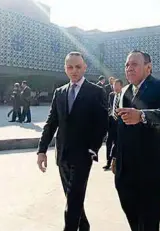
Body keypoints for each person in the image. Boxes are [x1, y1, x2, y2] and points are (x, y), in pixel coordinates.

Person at [36, 52, 108, 231]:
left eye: (78, 67)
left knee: (74, 198)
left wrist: (93, 148)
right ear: (65, 69)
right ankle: (84, 226)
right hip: (62, 155)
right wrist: (42, 150)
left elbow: (102, 124)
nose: (74, 71)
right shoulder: (59, 92)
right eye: (70, 67)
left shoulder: (96, 92)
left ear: (85, 67)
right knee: (72, 197)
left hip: (83, 155)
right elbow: (51, 122)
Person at [111, 50, 160, 231]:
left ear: (148, 68)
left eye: (134, 64)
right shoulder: (124, 90)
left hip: (150, 168)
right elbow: (119, 128)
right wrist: (115, 156)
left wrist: (142, 116)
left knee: (149, 223)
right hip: (125, 169)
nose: (129, 68)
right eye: (127, 65)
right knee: (133, 218)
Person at [104, 79, 123, 170]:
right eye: (113, 86)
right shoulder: (111, 95)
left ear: (121, 86)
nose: (114, 87)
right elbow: (109, 106)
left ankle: (114, 161)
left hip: (120, 122)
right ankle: (108, 161)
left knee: (117, 143)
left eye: (116, 86)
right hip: (111, 121)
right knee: (109, 142)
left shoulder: (124, 96)